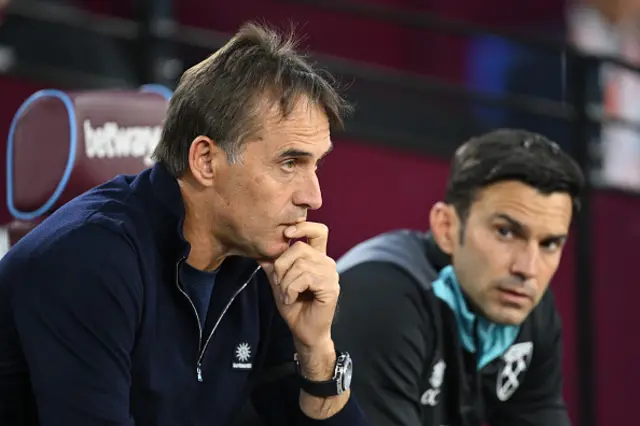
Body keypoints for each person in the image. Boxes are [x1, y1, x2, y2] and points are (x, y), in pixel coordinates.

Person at [0, 22, 367, 426]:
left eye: (317, 165)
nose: (313, 197)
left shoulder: (264, 264)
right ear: (206, 161)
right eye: (289, 163)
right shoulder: (88, 262)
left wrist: (316, 350)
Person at [332, 129, 584, 426]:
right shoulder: (381, 298)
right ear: (446, 227)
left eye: (549, 244)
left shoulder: (527, 308)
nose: (528, 268)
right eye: (505, 232)